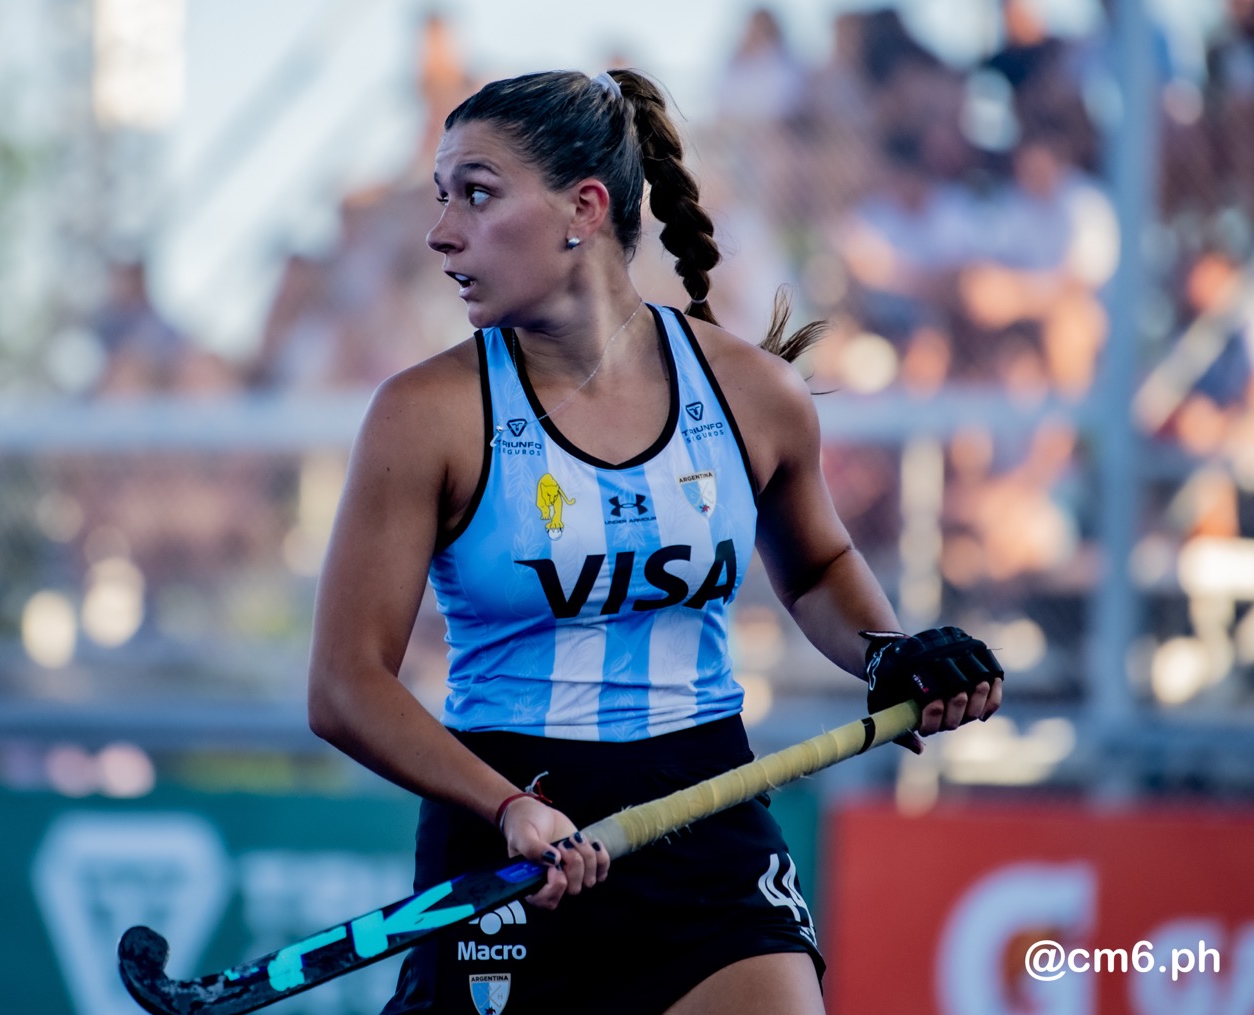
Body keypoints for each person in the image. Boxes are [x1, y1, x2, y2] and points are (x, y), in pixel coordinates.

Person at [307, 68, 1004, 1015]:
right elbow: (346, 685)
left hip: (706, 808)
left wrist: (889, 652)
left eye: (476, 193)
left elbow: (820, 569)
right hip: (511, 822)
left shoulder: (754, 393)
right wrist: (507, 805)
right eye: (442, 198)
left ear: (583, 209)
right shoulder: (421, 415)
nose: (442, 232)